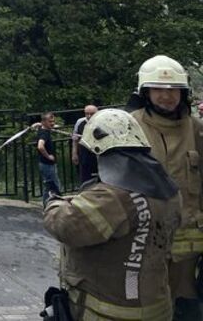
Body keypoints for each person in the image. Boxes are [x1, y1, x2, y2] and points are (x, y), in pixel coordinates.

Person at [42, 108, 181, 321]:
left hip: (109, 310)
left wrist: (53, 202)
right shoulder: (168, 191)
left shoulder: (111, 197)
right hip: (158, 306)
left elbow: (66, 226)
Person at [130, 55, 203, 320]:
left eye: (174, 89)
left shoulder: (196, 130)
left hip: (188, 250)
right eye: (159, 89)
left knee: (187, 309)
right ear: (145, 92)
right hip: (141, 243)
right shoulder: (130, 127)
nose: (166, 95)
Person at [35, 112, 61, 206]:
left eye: (53, 121)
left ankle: (47, 206)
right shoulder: (44, 134)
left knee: (48, 186)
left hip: (45, 164)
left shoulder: (42, 129)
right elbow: (40, 146)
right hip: (47, 164)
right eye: (50, 121)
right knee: (54, 186)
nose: (52, 123)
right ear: (44, 122)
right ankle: (53, 207)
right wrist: (48, 156)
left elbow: (47, 126)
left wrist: (54, 126)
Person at [70, 105, 99, 183]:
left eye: (92, 114)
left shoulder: (101, 122)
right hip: (84, 154)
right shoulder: (80, 122)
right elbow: (75, 139)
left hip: (98, 154)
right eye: (87, 113)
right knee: (84, 177)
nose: (89, 116)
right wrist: (74, 153)